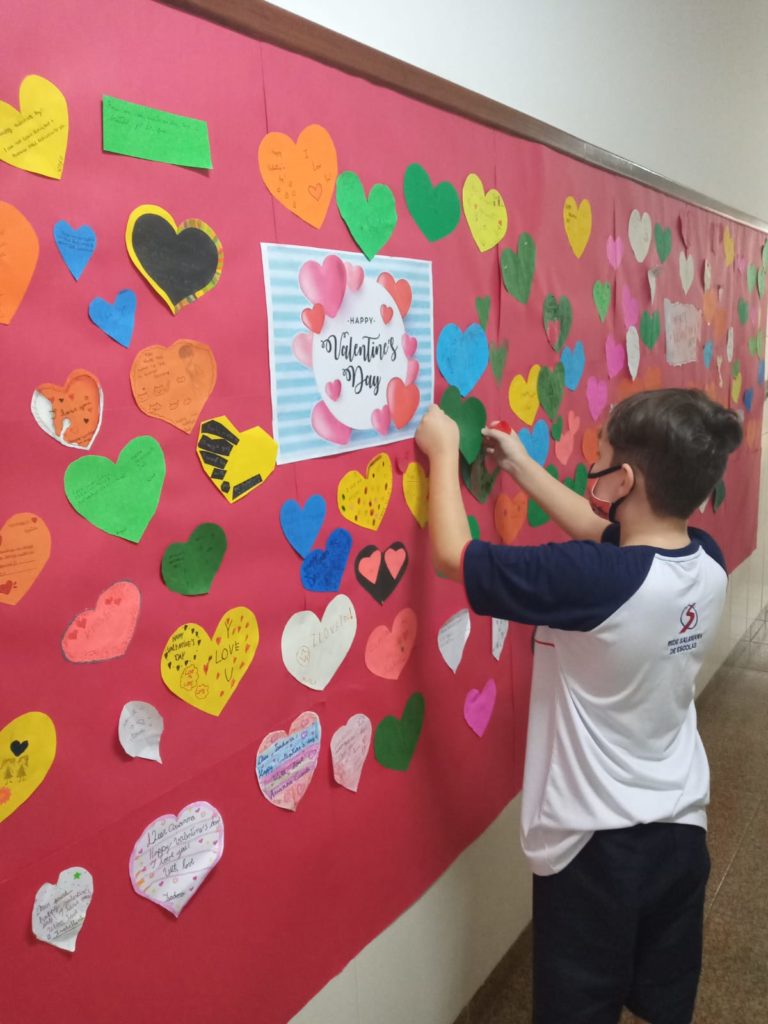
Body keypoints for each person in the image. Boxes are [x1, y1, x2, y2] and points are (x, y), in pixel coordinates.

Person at [414, 387, 743, 1024]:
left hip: (595, 853)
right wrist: (520, 466)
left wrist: (443, 451)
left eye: (602, 454)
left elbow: (453, 557)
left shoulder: (594, 580)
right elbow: (604, 532)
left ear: (625, 480)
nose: (593, 462)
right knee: (661, 999)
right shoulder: (706, 559)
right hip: (682, 834)